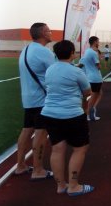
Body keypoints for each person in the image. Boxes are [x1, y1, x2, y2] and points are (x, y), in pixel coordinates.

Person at [39, 40, 93, 196]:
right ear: (72, 53)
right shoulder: (76, 72)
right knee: (80, 148)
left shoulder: (50, 70)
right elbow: (88, 92)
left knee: (57, 149)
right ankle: (74, 186)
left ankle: (61, 185)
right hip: (72, 114)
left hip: (49, 113)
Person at [15, 22, 55, 179]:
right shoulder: (44, 52)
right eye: (49, 31)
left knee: (27, 130)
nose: (51, 33)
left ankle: (20, 165)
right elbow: (55, 73)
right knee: (41, 132)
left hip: (28, 98)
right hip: (41, 99)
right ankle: (38, 170)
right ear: (43, 33)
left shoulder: (26, 49)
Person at [80, 36, 103, 122]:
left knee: (98, 94)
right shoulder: (93, 53)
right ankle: (88, 114)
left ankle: (90, 111)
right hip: (95, 78)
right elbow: (99, 67)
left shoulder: (87, 51)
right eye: (98, 41)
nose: (99, 42)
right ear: (94, 42)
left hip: (90, 77)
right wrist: (99, 59)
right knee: (93, 97)